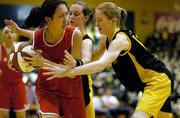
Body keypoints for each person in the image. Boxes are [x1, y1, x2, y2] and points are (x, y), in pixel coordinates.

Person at [43, 2, 174, 118]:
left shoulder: (120, 40)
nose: (97, 24)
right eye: (96, 20)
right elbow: (92, 59)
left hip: (157, 81)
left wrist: (69, 72)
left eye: (100, 20)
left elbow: (100, 65)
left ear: (113, 21)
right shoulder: (105, 39)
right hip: (146, 84)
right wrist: (76, 62)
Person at [5, 0, 85, 117]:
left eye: (66, 14)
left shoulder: (75, 35)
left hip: (72, 91)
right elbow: (34, 36)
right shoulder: (38, 36)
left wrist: (43, 62)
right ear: (48, 19)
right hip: (47, 89)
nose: (66, 19)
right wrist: (15, 63)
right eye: (61, 16)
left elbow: (72, 73)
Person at [66, 1, 95, 118]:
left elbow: (87, 59)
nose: (71, 16)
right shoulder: (60, 35)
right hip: (61, 86)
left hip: (80, 86)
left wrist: (76, 63)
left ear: (86, 18)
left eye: (76, 14)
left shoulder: (86, 39)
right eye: (70, 13)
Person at [0, 26, 27, 118]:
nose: (9, 34)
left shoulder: (20, 48)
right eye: (6, 32)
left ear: (15, 35)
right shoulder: (0, 49)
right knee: (3, 115)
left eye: (11, 32)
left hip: (18, 85)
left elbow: (27, 66)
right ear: (3, 35)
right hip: (3, 86)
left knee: (21, 115)